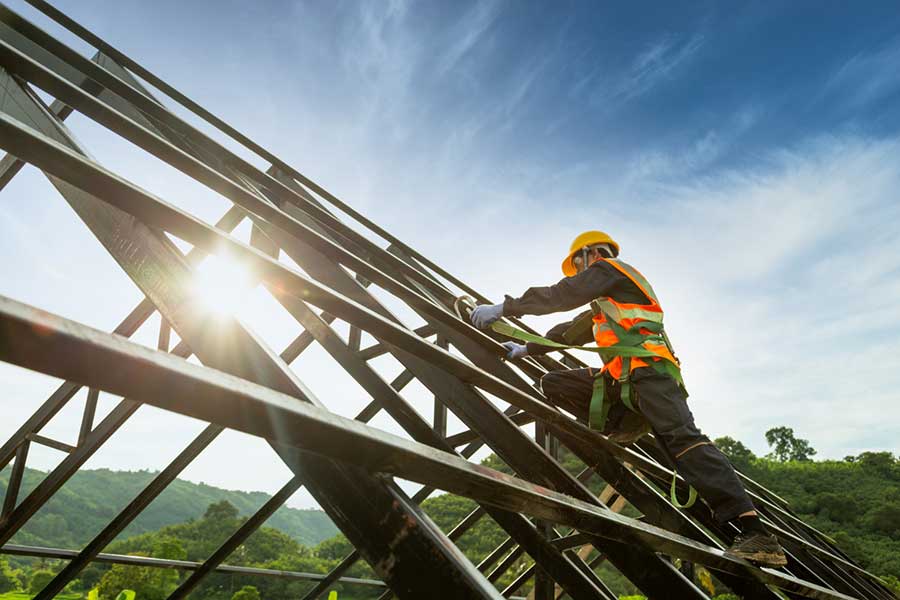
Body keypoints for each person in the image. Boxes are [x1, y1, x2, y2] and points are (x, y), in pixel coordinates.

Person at [470, 230, 788, 567]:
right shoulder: (606, 302)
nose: (578, 273)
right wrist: (524, 348)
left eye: (578, 265)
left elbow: (562, 295)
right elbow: (567, 331)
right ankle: (625, 421)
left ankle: (756, 533)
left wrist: (507, 306)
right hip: (624, 383)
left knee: (685, 443)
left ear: (590, 254)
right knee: (555, 383)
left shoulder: (612, 270)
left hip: (652, 376)